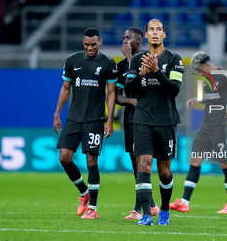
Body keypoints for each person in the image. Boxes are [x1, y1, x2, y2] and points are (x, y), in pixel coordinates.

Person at [169, 51, 227, 214]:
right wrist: (198, 100)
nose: (198, 73)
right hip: (206, 126)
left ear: (207, 64)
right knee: (195, 160)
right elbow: (214, 97)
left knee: (224, 163)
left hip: (220, 127)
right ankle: (184, 202)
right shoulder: (207, 80)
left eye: (199, 69)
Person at [125, 19, 184, 226]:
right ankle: (148, 215)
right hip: (142, 121)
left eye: (159, 29)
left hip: (166, 122)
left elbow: (174, 90)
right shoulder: (137, 60)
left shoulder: (175, 59)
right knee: (144, 165)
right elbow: (129, 90)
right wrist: (141, 75)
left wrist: (157, 71)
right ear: (147, 35)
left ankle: (165, 210)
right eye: (152, 29)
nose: (156, 33)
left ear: (164, 35)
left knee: (164, 171)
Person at [53, 27, 117, 219]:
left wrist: (110, 120)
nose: (90, 48)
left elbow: (111, 93)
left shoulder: (108, 63)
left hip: (94, 119)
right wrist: (57, 113)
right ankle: (84, 192)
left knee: (91, 160)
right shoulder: (72, 60)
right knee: (64, 157)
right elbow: (65, 88)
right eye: (86, 44)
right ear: (83, 42)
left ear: (100, 42)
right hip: (73, 117)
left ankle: (93, 209)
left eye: (93, 44)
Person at [115, 27, 159, 220]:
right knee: (135, 164)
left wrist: (129, 58)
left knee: (143, 163)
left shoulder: (147, 59)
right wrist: (132, 102)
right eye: (123, 37)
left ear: (139, 41)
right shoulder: (121, 66)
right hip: (130, 118)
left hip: (146, 119)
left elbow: (144, 83)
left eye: (128, 38)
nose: (124, 41)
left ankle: (139, 209)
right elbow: (118, 97)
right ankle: (150, 204)